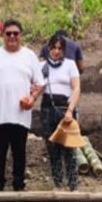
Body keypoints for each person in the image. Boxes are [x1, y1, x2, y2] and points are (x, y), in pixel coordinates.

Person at [0, 19, 43, 191]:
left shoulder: (29, 56)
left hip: (20, 114)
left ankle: (19, 186)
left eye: (15, 33)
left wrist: (33, 98)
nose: (12, 36)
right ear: (2, 35)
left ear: (21, 35)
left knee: (19, 152)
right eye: (8, 33)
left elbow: (40, 83)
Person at [40, 32, 82, 191]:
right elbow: (36, 86)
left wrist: (70, 110)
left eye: (60, 48)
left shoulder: (70, 65)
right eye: (53, 48)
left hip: (65, 108)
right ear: (48, 48)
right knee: (52, 148)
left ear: (64, 50)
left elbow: (76, 88)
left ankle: (73, 186)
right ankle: (58, 184)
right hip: (47, 109)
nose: (56, 51)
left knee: (69, 148)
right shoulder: (42, 66)